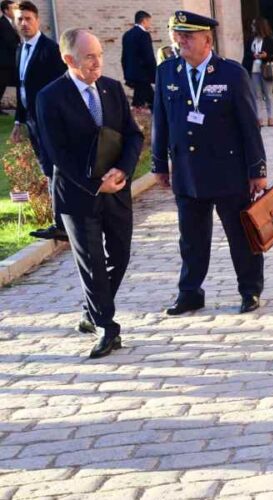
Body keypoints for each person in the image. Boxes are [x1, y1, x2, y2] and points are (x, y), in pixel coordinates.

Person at [35, 28, 143, 359]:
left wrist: (122, 171)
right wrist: (96, 185)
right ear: (69, 59)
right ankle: (107, 327)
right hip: (78, 196)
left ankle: (91, 312)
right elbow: (57, 154)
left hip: (117, 191)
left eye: (100, 54)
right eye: (90, 57)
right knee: (93, 263)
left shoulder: (111, 89)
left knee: (120, 255)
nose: (98, 63)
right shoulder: (50, 97)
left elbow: (133, 135)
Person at [151, 11, 268, 316]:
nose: (181, 41)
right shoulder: (167, 72)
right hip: (187, 172)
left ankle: (250, 289)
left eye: (188, 36)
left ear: (207, 39)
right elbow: (160, 121)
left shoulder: (230, 73)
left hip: (228, 172)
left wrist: (257, 170)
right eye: (178, 35)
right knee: (191, 239)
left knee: (240, 236)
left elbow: (248, 125)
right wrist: (159, 163)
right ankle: (190, 292)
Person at [12, 1, 67, 242]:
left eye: (28, 18)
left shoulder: (50, 50)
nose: (23, 23)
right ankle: (60, 222)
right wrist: (18, 121)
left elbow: (61, 86)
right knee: (47, 168)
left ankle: (63, 222)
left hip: (50, 121)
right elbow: (22, 87)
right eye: (19, 19)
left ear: (38, 21)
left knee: (55, 169)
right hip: (32, 121)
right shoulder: (20, 50)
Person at [242, 17, 273, 126]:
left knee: (268, 94)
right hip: (254, 70)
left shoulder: (269, 39)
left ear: (259, 26)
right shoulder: (250, 40)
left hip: (266, 69)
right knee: (256, 94)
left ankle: (271, 117)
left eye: (254, 25)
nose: (252, 27)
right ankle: (259, 118)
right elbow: (246, 55)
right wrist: (253, 56)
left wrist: (266, 55)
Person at [121, 11, 156, 108]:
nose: (150, 24)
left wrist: (126, 74)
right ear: (144, 20)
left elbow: (124, 57)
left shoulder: (127, 35)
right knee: (144, 103)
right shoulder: (144, 35)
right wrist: (154, 75)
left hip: (132, 74)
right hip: (143, 76)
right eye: (149, 21)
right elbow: (149, 57)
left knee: (151, 100)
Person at [0, 1, 19, 113]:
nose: (15, 11)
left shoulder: (9, 23)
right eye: (13, 8)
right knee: (2, 83)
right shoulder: (3, 23)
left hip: (8, 61)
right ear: (6, 10)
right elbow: (10, 42)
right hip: (4, 62)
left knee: (3, 84)